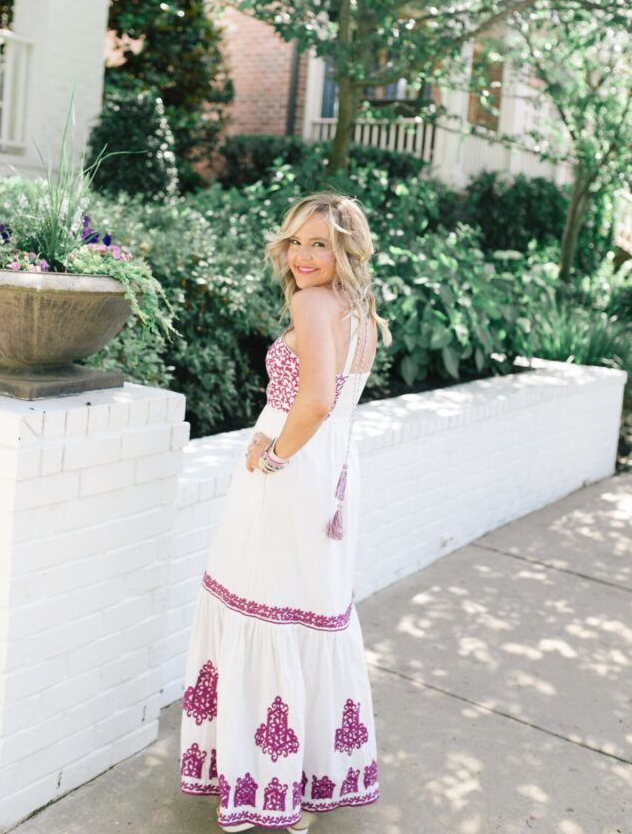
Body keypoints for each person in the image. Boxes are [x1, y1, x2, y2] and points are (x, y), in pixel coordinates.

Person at [180, 193, 391, 832]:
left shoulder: (309, 303)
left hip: (291, 472)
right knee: (306, 611)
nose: (302, 256)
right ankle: (297, 787)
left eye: (320, 243)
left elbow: (318, 400)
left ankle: (271, 797)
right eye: (297, 241)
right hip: (332, 476)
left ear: (345, 251)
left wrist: (272, 456)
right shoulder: (359, 309)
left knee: (262, 604)